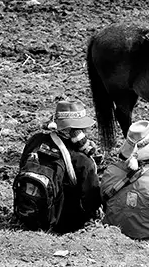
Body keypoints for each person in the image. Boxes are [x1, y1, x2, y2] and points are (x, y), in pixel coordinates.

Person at [15, 99, 101, 233]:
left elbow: (22, 167)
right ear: (79, 131)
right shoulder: (83, 160)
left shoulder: (35, 141)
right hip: (63, 224)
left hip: (27, 212)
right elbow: (92, 202)